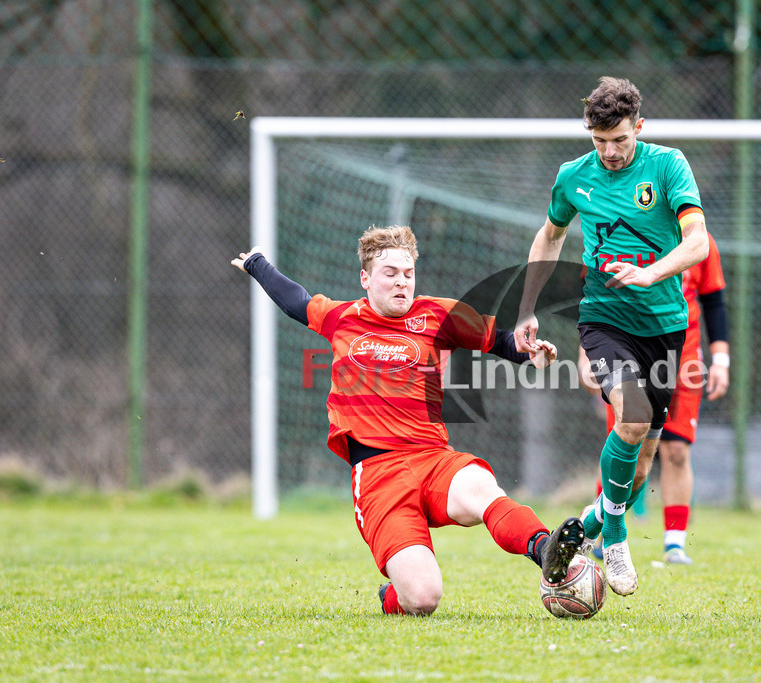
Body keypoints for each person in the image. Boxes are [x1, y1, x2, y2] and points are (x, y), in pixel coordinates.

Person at [231, 225, 584, 616]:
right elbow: (295, 300)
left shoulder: (438, 314)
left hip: (433, 458)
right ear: (365, 278)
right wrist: (256, 263)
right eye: (390, 274)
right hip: (379, 473)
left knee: (482, 487)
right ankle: (392, 594)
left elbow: (501, 342)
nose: (402, 283)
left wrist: (530, 352)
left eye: (408, 274)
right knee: (424, 598)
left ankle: (546, 548)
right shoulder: (341, 318)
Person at [514, 77, 710, 596]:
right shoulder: (573, 177)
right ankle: (617, 534)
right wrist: (526, 308)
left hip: (666, 327)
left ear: (638, 127)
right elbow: (551, 235)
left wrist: (652, 272)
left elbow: (699, 242)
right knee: (633, 417)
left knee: (645, 453)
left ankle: (595, 522)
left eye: (619, 140)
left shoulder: (667, 166)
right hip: (603, 320)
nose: (610, 152)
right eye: (599, 141)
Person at [578, 232, 729, 565]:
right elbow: (593, 294)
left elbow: (715, 301)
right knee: (625, 443)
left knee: (676, 449)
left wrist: (721, 360)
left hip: (684, 357)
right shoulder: (619, 231)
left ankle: (673, 544)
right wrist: (585, 353)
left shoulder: (701, 241)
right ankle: (605, 534)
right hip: (627, 349)